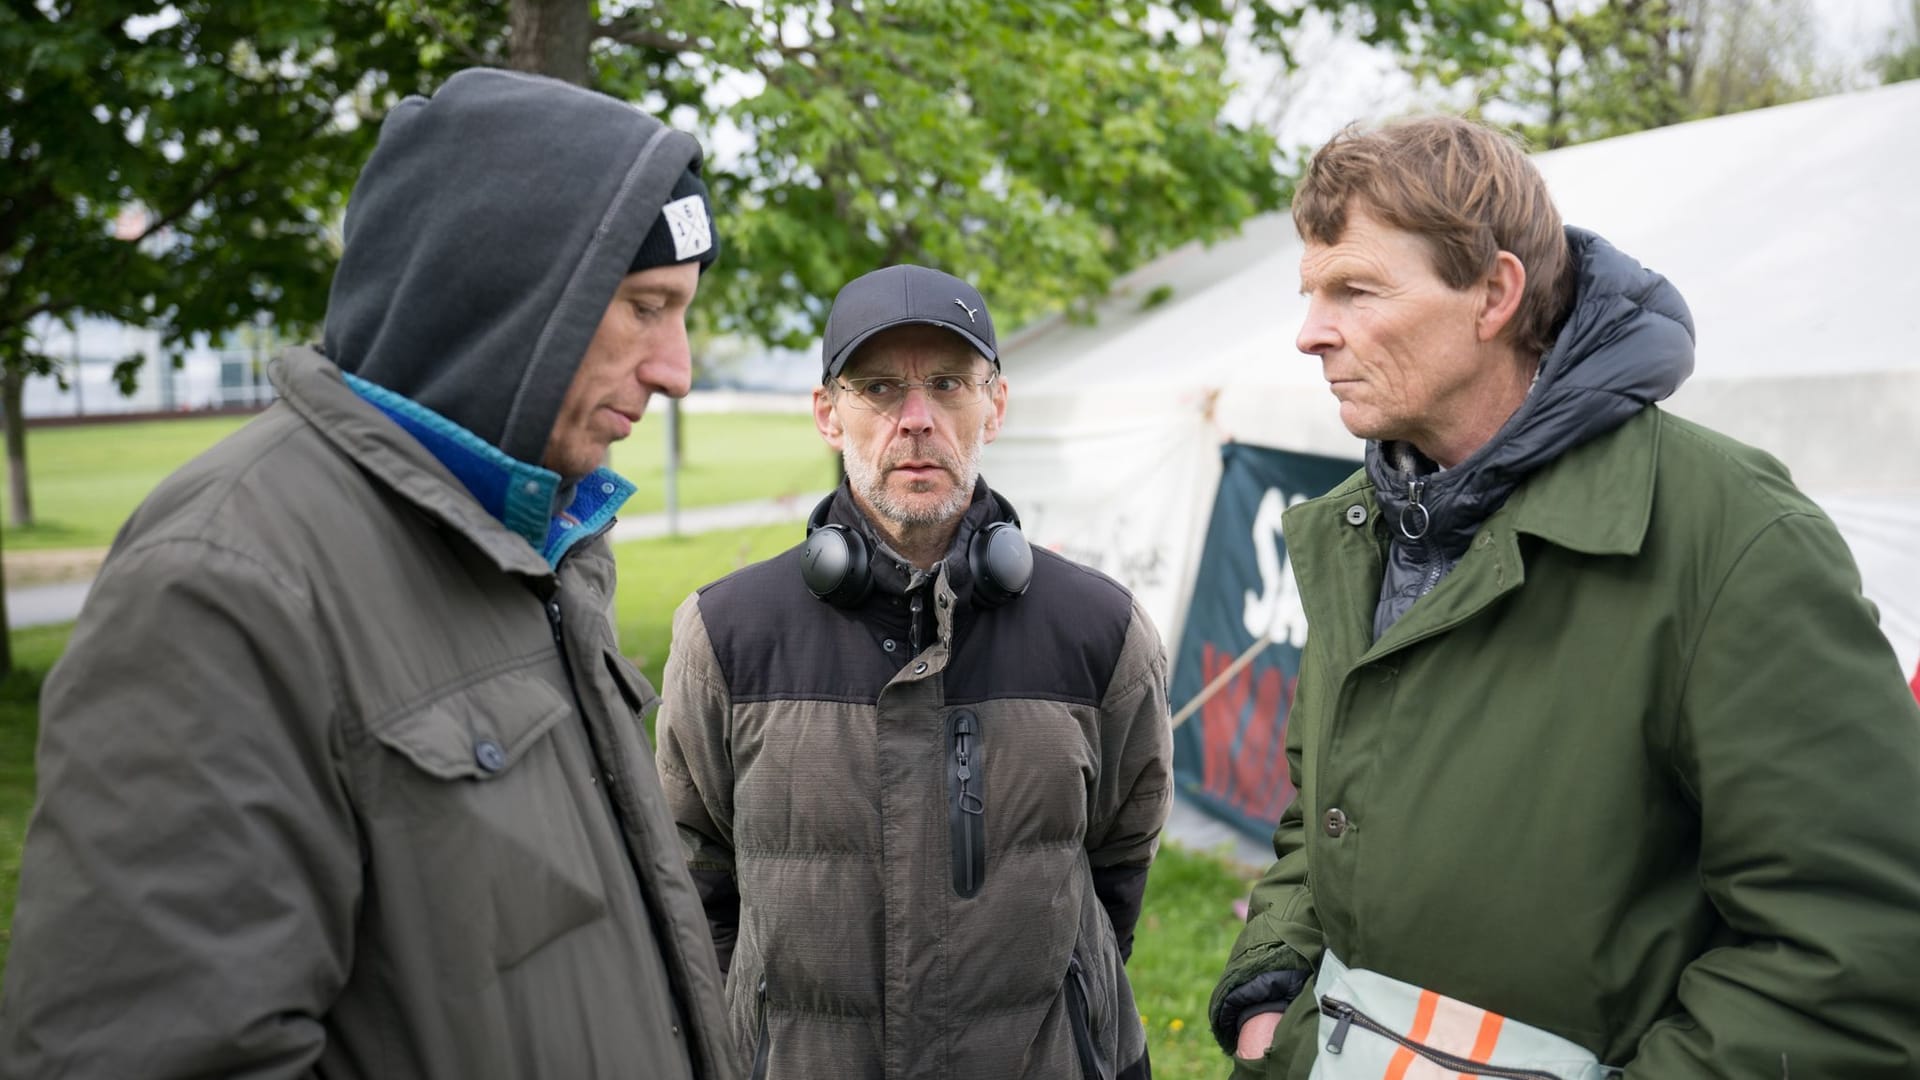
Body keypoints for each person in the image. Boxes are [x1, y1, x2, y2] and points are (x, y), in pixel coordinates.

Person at [0, 69, 740, 1079]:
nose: (677, 369)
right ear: (511, 291)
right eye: (646, 308)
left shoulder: (542, 545)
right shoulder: (222, 580)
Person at [1209, 116, 1920, 1078]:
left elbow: (1851, 946)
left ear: (1495, 293)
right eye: (1311, 292)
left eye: (1356, 290)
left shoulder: (1735, 539)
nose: (1310, 332)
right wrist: (1270, 999)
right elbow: (1321, 818)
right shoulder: (1356, 530)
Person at [655, 264, 1172, 1079]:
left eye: (948, 384)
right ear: (828, 414)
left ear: (995, 405)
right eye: (880, 388)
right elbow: (694, 883)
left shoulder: (1101, 631)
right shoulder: (724, 634)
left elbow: (1117, 863)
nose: (917, 420)